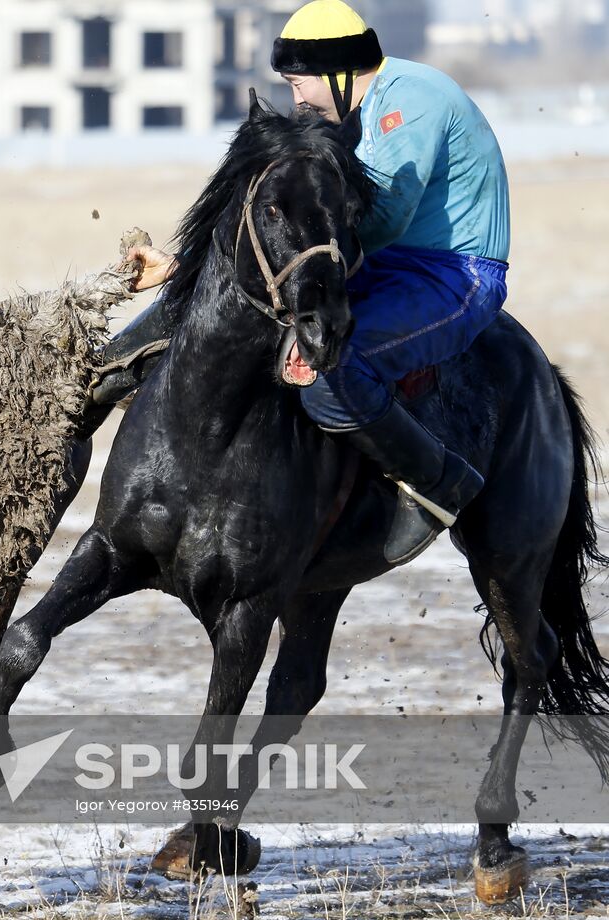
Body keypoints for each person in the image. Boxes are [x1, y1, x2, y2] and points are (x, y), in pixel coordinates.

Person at [102, 0, 509, 565]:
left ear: (338, 73)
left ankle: (439, 483)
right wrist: (188, 267)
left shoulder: (409, 103)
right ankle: (105, 377)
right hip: (377, 264)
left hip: (453, 276)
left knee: (335, 370)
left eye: (299, 83)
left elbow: (382, 218)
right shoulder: (354, 110)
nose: (296, 99)